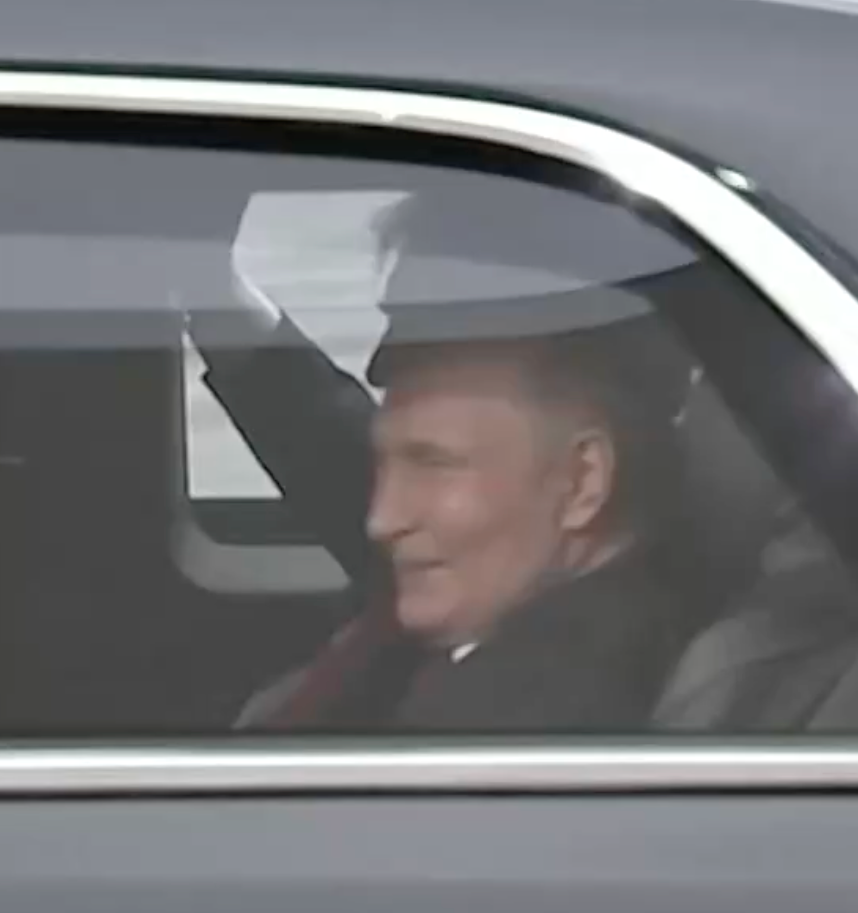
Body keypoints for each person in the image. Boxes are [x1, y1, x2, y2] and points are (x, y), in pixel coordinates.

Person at [235, 299, 697, 732]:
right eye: (384, 464)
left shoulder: (516, 731)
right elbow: (325, 448)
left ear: (581, 482)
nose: (380, 518)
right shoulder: (511, 578)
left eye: (433, 464)